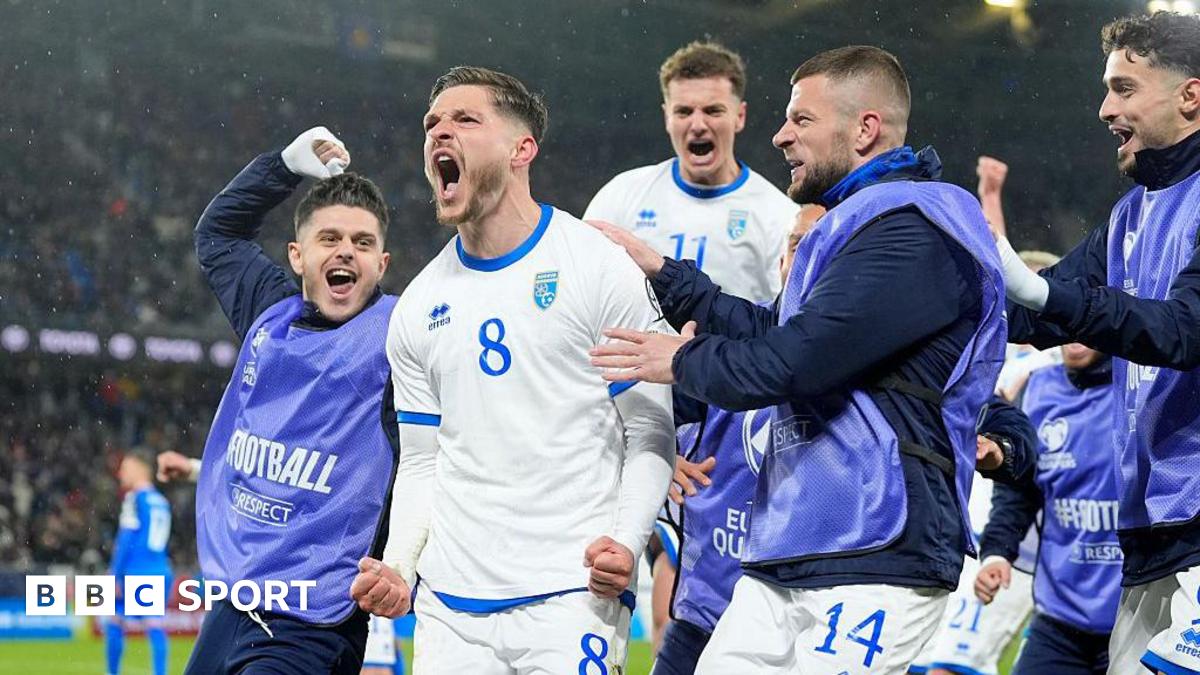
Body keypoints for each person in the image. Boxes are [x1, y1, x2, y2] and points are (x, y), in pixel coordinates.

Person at [591, 45, 1008, 673]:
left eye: (801, 120)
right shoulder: (850, 224)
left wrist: (682, 359)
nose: (782, 135)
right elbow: (777, 327)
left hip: (878, 547)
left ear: (864, 128)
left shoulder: (908, 230)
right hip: (797, 539)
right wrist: (669, 276)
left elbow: (794, 361)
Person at [371, 66, 675, 675]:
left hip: (572, 592)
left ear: (521, 148)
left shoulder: (596, 267)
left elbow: (648, 431)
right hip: (449, 607)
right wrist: (401, 563)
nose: (439, 133)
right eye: (432, 123)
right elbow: (424, 460)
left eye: (464, 119)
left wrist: (627, 537)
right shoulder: (417, 306)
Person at [994, 12, 1200, 673]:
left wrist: (1045, 295)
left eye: (1125, 87)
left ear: (1191, 96)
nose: (1106, 107)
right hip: (1151, 532)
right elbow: (1040, 308)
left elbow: (1183, 328)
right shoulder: (1131, 213)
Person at [183, 127, 407, 675]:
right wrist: (282, 165)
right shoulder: (270, 311)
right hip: (233, 603)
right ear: (297, 255)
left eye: (363, 242)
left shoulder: (405, 337)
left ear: (382, 263)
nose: (346, 252)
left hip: (315, 622)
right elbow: (218, 234)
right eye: (329, 238)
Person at [584, 41, 798, 303]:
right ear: (667, 118)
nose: (698, 125)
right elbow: (582, 285)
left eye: (712, 110)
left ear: (739, 116)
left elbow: (784, 316)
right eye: (683, 112)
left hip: (729, 345)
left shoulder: (779, 216)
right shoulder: (621, 195)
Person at [974, 344, 1121, 674]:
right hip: (1059, 618)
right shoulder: (1038, 390)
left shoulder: (1139, 390)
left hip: (1134, 619)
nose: (1075, 337)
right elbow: (1018, 490)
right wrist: (997, 553)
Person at [107, 450, 173, 675]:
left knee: (115, 621)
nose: (120, 473)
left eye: (125, 468)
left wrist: (114, 574)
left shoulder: (134, 499)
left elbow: (126, 538)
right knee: (154, 625)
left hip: (136, 570)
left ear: (139, 468)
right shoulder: (161, 501)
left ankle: (113, 672)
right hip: (159, 568)